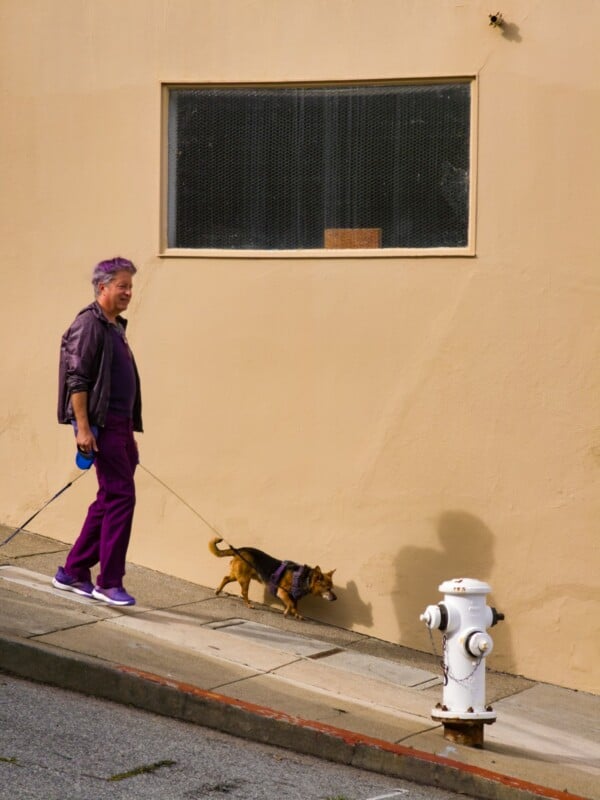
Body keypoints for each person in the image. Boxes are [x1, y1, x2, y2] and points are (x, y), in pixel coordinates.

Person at [54, 257, 143, 606]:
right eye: (122, 286)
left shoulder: (113, 326)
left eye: (130, 286)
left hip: (120, 426)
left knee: (110, 497)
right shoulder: (88, 324)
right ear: (102, 287)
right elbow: (76, 379)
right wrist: (83, 429)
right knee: (121, 497)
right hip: (102, 427)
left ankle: (73, 571)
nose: (129, 292)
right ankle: (109, 582)